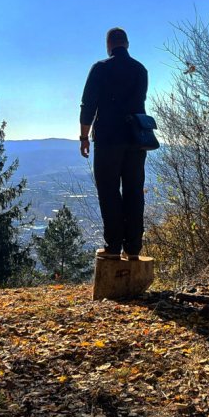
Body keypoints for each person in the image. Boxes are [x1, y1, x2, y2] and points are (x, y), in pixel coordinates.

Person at [79, 27, 148, 258]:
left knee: (109, 191)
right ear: (126, 44)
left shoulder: (100, 69)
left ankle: (114, 246)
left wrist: (84, 137)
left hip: (109, 139)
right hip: (136, 139)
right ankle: (134, 248)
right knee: (134, 191)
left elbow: (88, 105)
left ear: (109, 46)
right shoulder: (140, 70)